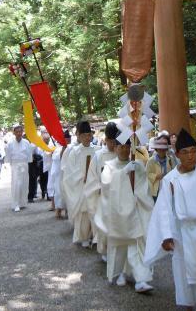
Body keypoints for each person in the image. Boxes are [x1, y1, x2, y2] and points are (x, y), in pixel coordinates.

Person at [145, 129, 196, 310]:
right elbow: (164, 210)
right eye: (186, 152)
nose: (191, 156)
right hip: (182, 236)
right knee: (185, 286)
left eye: (193, 151)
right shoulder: (170, 180)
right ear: (177, 154)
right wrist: (166, 236)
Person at [95, 134, 154, 293]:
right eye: (121, 147)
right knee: (120, 246)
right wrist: (122, 174)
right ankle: (121, 272)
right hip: (117, 213)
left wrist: (138, 172)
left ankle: (141, 279)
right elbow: (106, 186)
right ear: (115, 148)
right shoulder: (109, 166)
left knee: (136, 244)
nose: (124, 150)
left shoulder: (135, 165)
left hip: (134, 212)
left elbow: (143, 187)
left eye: (127, 147)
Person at [84, 121, 118, 257]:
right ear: (106, 140)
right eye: (111, 141)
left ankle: (116, 251)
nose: (113, 145)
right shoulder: (99, 156)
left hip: (117, 196)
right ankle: (104, 251)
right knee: (104, 224)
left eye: (116, 141)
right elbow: (92, 177)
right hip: (103, 197)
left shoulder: (120, 154)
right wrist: (98, 188)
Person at [62, 120, 97, 247]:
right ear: (79, 136)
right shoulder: (75, 152)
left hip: (94, 185)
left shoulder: (97, 150)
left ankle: (95, 236)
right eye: (83, 135)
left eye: (89, 135)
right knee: (83, 212)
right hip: (81, 186)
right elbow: (69, 172)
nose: (87, 138)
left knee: (94, 209)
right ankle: (83, 237)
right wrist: (83, 176)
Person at [4, 124, 33, 212]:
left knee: (24, 184)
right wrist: (8, 164)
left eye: (20, 131)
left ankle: (22, 202)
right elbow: (8, 155)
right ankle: (15, 203)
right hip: (15, 165)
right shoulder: (10, 143)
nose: (19, 133)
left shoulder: (26, 142)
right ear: (14, 133)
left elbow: (29, 155)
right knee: (17, 184)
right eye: (17, 132)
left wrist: (28, 161)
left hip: (24, 164)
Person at [146, 135, 177, 201]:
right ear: (156, 149)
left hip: (168, 188)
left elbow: (174, 172)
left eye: (163, 149)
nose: (162, 151)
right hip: (156, 190)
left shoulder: (170, 159)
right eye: (160, 149)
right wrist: (156, 176)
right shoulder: (151, 161)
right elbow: (147, 174)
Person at [52, 129, 72, 218]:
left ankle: (69, 211)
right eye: (66, 139)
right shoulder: (57, 149)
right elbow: (59, 159)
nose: (68, 141)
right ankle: (58, 211)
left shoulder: (73, 148)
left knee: (69, 193)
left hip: (69, 174)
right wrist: (64, 148)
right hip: (60, 174)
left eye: (69, 139)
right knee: (59, 193)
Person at [39, 128, 53, 201]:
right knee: (42, 179)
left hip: (49, 163)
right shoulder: (38, 142)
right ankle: (43, 191)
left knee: (49, 179)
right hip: (41, 162)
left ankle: (48, 194)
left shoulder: (52, 144)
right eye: (44, 132)